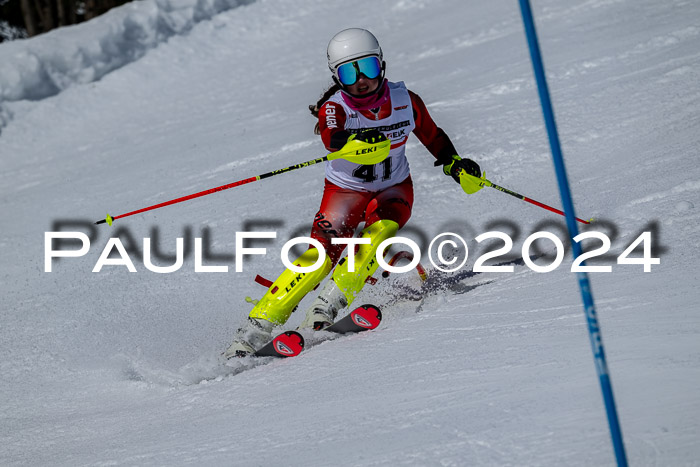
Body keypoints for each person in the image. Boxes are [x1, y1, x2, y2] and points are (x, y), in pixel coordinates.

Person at [224, 28, 481, 357]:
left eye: (369, 68)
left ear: (382, 65)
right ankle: (255, 327)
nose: (361, 80)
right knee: (319, 257)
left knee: (380, 233)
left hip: (393, 188)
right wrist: (354, 142)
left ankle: (327, 305)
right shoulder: (335, 107)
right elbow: (331, 137)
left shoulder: (405, 100)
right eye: (349, 72)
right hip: (346, 192)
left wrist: (454, 163)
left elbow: (433, 135)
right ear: (337, 77)